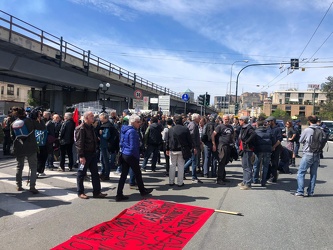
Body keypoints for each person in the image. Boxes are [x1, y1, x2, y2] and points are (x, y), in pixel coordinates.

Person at [116, 114, 153, 201]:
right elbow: (134, 146)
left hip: (125, 153)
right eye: (137, 122)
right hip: (131, 154)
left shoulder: (124, 129)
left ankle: (119, 193)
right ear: (133, 122)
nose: (139, 123)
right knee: (137, 173)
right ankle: (142, 191)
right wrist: (137, 156)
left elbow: (121, 142)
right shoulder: (132, 131)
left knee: (124, 175)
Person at [10, 106, 45, 194]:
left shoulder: (13, 123)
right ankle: (32, 186)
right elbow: (42, 127)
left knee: (19, 167)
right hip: (31, 147)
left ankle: (19, 185)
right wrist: (39, 118)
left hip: (19, 148)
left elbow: (12, 137)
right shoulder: (30, 121)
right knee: (33, 167)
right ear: (24, 112)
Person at [75, 111, 107, 199]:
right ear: (86, 118)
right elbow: (79, 143)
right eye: (91, 116)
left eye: (93, 116)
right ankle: (80, 192)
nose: (93, 118)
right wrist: (81, 156)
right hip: (85, 154)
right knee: (81, 173)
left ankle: (97, 192)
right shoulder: (81, 128)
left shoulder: (91, 127)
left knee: (95, 174)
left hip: (92, 154)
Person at [294, 115, 321, 197]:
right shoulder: (321, 129)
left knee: (301, 172)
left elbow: (301, 140)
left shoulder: (307, 130)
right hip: (317, 153)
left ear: (309, 121)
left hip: (308, 152)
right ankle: (311, 192)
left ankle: (300, 191)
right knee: (313, 174)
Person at [166, 115, 193, 187]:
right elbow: (189, 140)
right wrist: (190, 148)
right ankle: (180, 182)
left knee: (172, 165)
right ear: (182, 121)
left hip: (172, 149)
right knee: (181, 166)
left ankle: (171, 181)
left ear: (174, 121)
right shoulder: (185, 129)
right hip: (182, 149)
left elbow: (167, 140)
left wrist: (167, 149)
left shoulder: (171, 129)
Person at [211, 114, 234, 185]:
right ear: (223, 119)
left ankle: (223, 177)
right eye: (225, 119)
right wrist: (214, 144)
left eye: (228, 119)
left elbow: (233, 135)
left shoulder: (230, 127)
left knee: (225, 162)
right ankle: (219, 179)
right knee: (221, 162)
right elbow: (213, 135)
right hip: (222, 146)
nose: (227, 120)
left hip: (229, 146)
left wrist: (233, 142)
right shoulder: (219, 127)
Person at [253, 119, 273, 187]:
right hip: (267, 150)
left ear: (257, 125)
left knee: (256, 165)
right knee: (265, 166)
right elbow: (273, 140)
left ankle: (255, 179)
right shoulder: (269, 131)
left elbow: (254, 141)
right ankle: (263, 181)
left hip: (258, 150)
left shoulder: (256, 131)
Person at [238, 116, 256, 190]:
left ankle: (248, 183)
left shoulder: (249, 128)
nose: (239, 121)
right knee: (244, 166)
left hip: (248, 149)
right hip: (244, 149)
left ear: (243, 121)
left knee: (247, 166)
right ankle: (245, 181)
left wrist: (247, 141)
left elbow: (253, 134)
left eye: (240, 120)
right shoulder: (244, 127)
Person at [184, 113, 203, 183]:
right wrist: (194, 147)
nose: (200, 119)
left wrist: (199, 141)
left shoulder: (194, 125)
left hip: (195, 145)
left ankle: (182, 171)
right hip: (194, 146)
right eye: (199, 118)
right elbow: (192, 137)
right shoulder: (193, 125)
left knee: (192, 160)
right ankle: (194, 177)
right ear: (195, 118)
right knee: (194, 161)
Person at [266, 116, 283, 183]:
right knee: (268, 163)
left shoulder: (278, 129)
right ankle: (267, 176)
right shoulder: (268, 128)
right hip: (268, 148)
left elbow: (279, 140)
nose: (267, 123)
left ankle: (273, 177)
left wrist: (274, 147)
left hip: (275, 148)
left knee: (274, 163)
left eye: (269, 121)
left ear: (273, 121)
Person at [98, 112, 113, 181]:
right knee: (102, 160)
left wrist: (101, 134)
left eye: (101, 118)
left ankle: (106, 174)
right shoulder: (104, 124)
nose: (100, 119)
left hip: (106, 145)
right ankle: (103, 172)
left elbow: (106, 136)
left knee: (106, 160)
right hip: (103, 145)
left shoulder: (107, 126)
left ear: (105, 118)